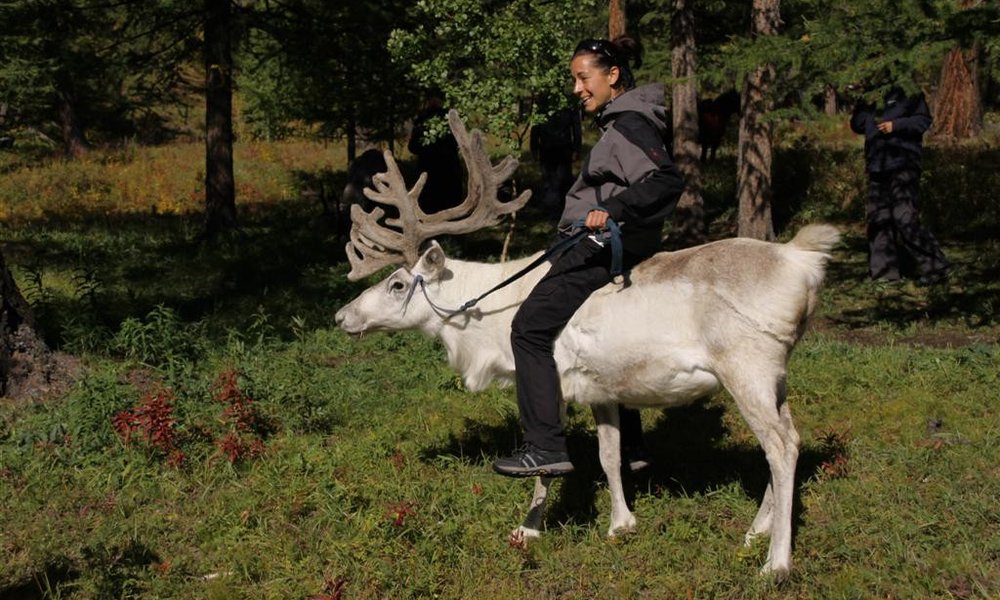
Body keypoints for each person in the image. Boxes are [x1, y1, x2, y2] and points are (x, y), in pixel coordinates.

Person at [492, 37, 685, 478]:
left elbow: (665, 182)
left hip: (603, 242)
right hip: (604, 239)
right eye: (574, 79)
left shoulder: (629, 124)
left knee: (527, 329)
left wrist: (613, 211)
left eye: (584, 77)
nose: (577, 88)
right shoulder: (622, 122)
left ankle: (544, 446)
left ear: (612, 75)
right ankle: (632, 446)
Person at [850, 87, 950, 284]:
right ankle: (884, 273)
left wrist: (896, 126)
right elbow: (857, 125)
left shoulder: (907, 90)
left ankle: (936, 265)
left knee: (904, 216)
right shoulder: (870, 95)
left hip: (903, 164)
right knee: (879, 219)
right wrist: (863, 106)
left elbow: (923, 121)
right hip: (877, 166)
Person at [408, 93, 464, 214]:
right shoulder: (450, 119)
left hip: (428, 172)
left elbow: (412, 147)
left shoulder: (421, 120)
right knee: (452, 207)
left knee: (429, 209)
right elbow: (460, 142)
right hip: (450, 170)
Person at [530, 97, 582, 221]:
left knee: (563, 180)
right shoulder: (542, 103)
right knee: (549, 180)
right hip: (546, 148)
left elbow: (576, 127)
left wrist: (576, 148)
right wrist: (534, 148)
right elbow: (535, 126)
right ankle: (552, 212)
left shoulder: (569, 104)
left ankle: (565, 211)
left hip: (563, 148)